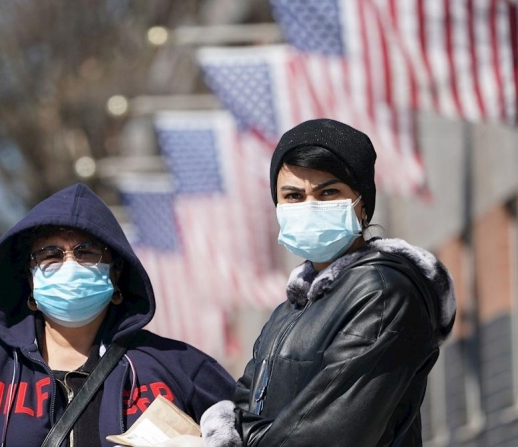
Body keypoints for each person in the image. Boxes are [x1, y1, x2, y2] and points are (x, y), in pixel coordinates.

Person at [168, 118, 457, 447]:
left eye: (328, 192)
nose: (309, 206)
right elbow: (245, 403)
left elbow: (330, 433)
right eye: (293, 195)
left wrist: (226, 440)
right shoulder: (291, 309)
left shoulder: (383, 291)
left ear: (362, 205)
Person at [0, 183, 236, 446]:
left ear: (116, 274)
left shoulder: (179, 368)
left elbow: (262, 430)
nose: (70, 264)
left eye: (86, 252)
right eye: (50, 255)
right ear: (29, 282)